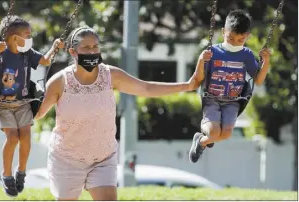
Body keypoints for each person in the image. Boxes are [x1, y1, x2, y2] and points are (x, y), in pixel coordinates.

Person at [34, 26, 196, 200]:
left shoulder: (110, 75)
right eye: (86, 48)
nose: (92, 52)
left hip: (102, 158)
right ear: (73, 52)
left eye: (95, 47)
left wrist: (187, 86)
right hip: (67, 159)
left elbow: (146, 88)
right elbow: (37, 114)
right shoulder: (60, 82)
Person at [0, 15, 64, 197]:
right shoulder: (0, 55)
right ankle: (6, 175)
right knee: (12, 138)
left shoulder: (28, 54)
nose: (30, 38)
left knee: (25, 137)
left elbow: (46, 61)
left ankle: (21, 171)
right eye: (27, 34)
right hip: (5, 105)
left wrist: (54, 48)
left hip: (24, 103)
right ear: (13, 37)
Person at [187, 9, 271, 163]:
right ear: (223, 31)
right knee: (214, 133)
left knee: (225, 134)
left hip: (233, 101)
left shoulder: (246, 55)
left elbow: (258, 80)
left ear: (247, 37)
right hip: (211, 98)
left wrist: (265, 62)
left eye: (240, 40)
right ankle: (205, 133)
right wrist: (201, 60)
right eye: (230, 37)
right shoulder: (213, 51)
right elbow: (198, 78)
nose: (234, 43)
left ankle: (201, 141)